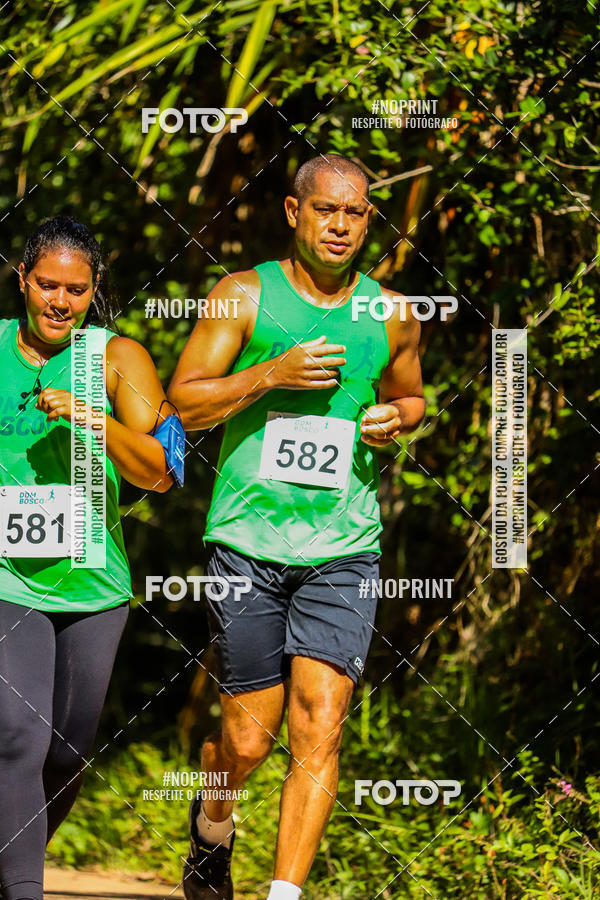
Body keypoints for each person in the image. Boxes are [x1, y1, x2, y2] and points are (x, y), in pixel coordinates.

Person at [168, 154, 425, 900]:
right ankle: (213, 823)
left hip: (343, 547)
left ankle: (285, 894)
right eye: (326, 211)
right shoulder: (241, 295)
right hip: (249, 542)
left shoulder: (390, 310)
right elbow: (180, 407)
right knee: (248, 738)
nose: (341, 226)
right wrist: (269, 376)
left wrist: (392, 420)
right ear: (293, 211)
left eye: (355, 214)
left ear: (368, 221)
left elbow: (412, 398)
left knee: (323, 722)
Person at [0, 215, 176, 900]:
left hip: (92, 584)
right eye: (47, 284)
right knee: (16, 733)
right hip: (7, 577)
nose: (59, 301)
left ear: (94, 289)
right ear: (22, 279)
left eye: (76, 289)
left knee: (66, 753)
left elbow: (162, 471)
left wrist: (94, 419)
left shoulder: (117, 359)